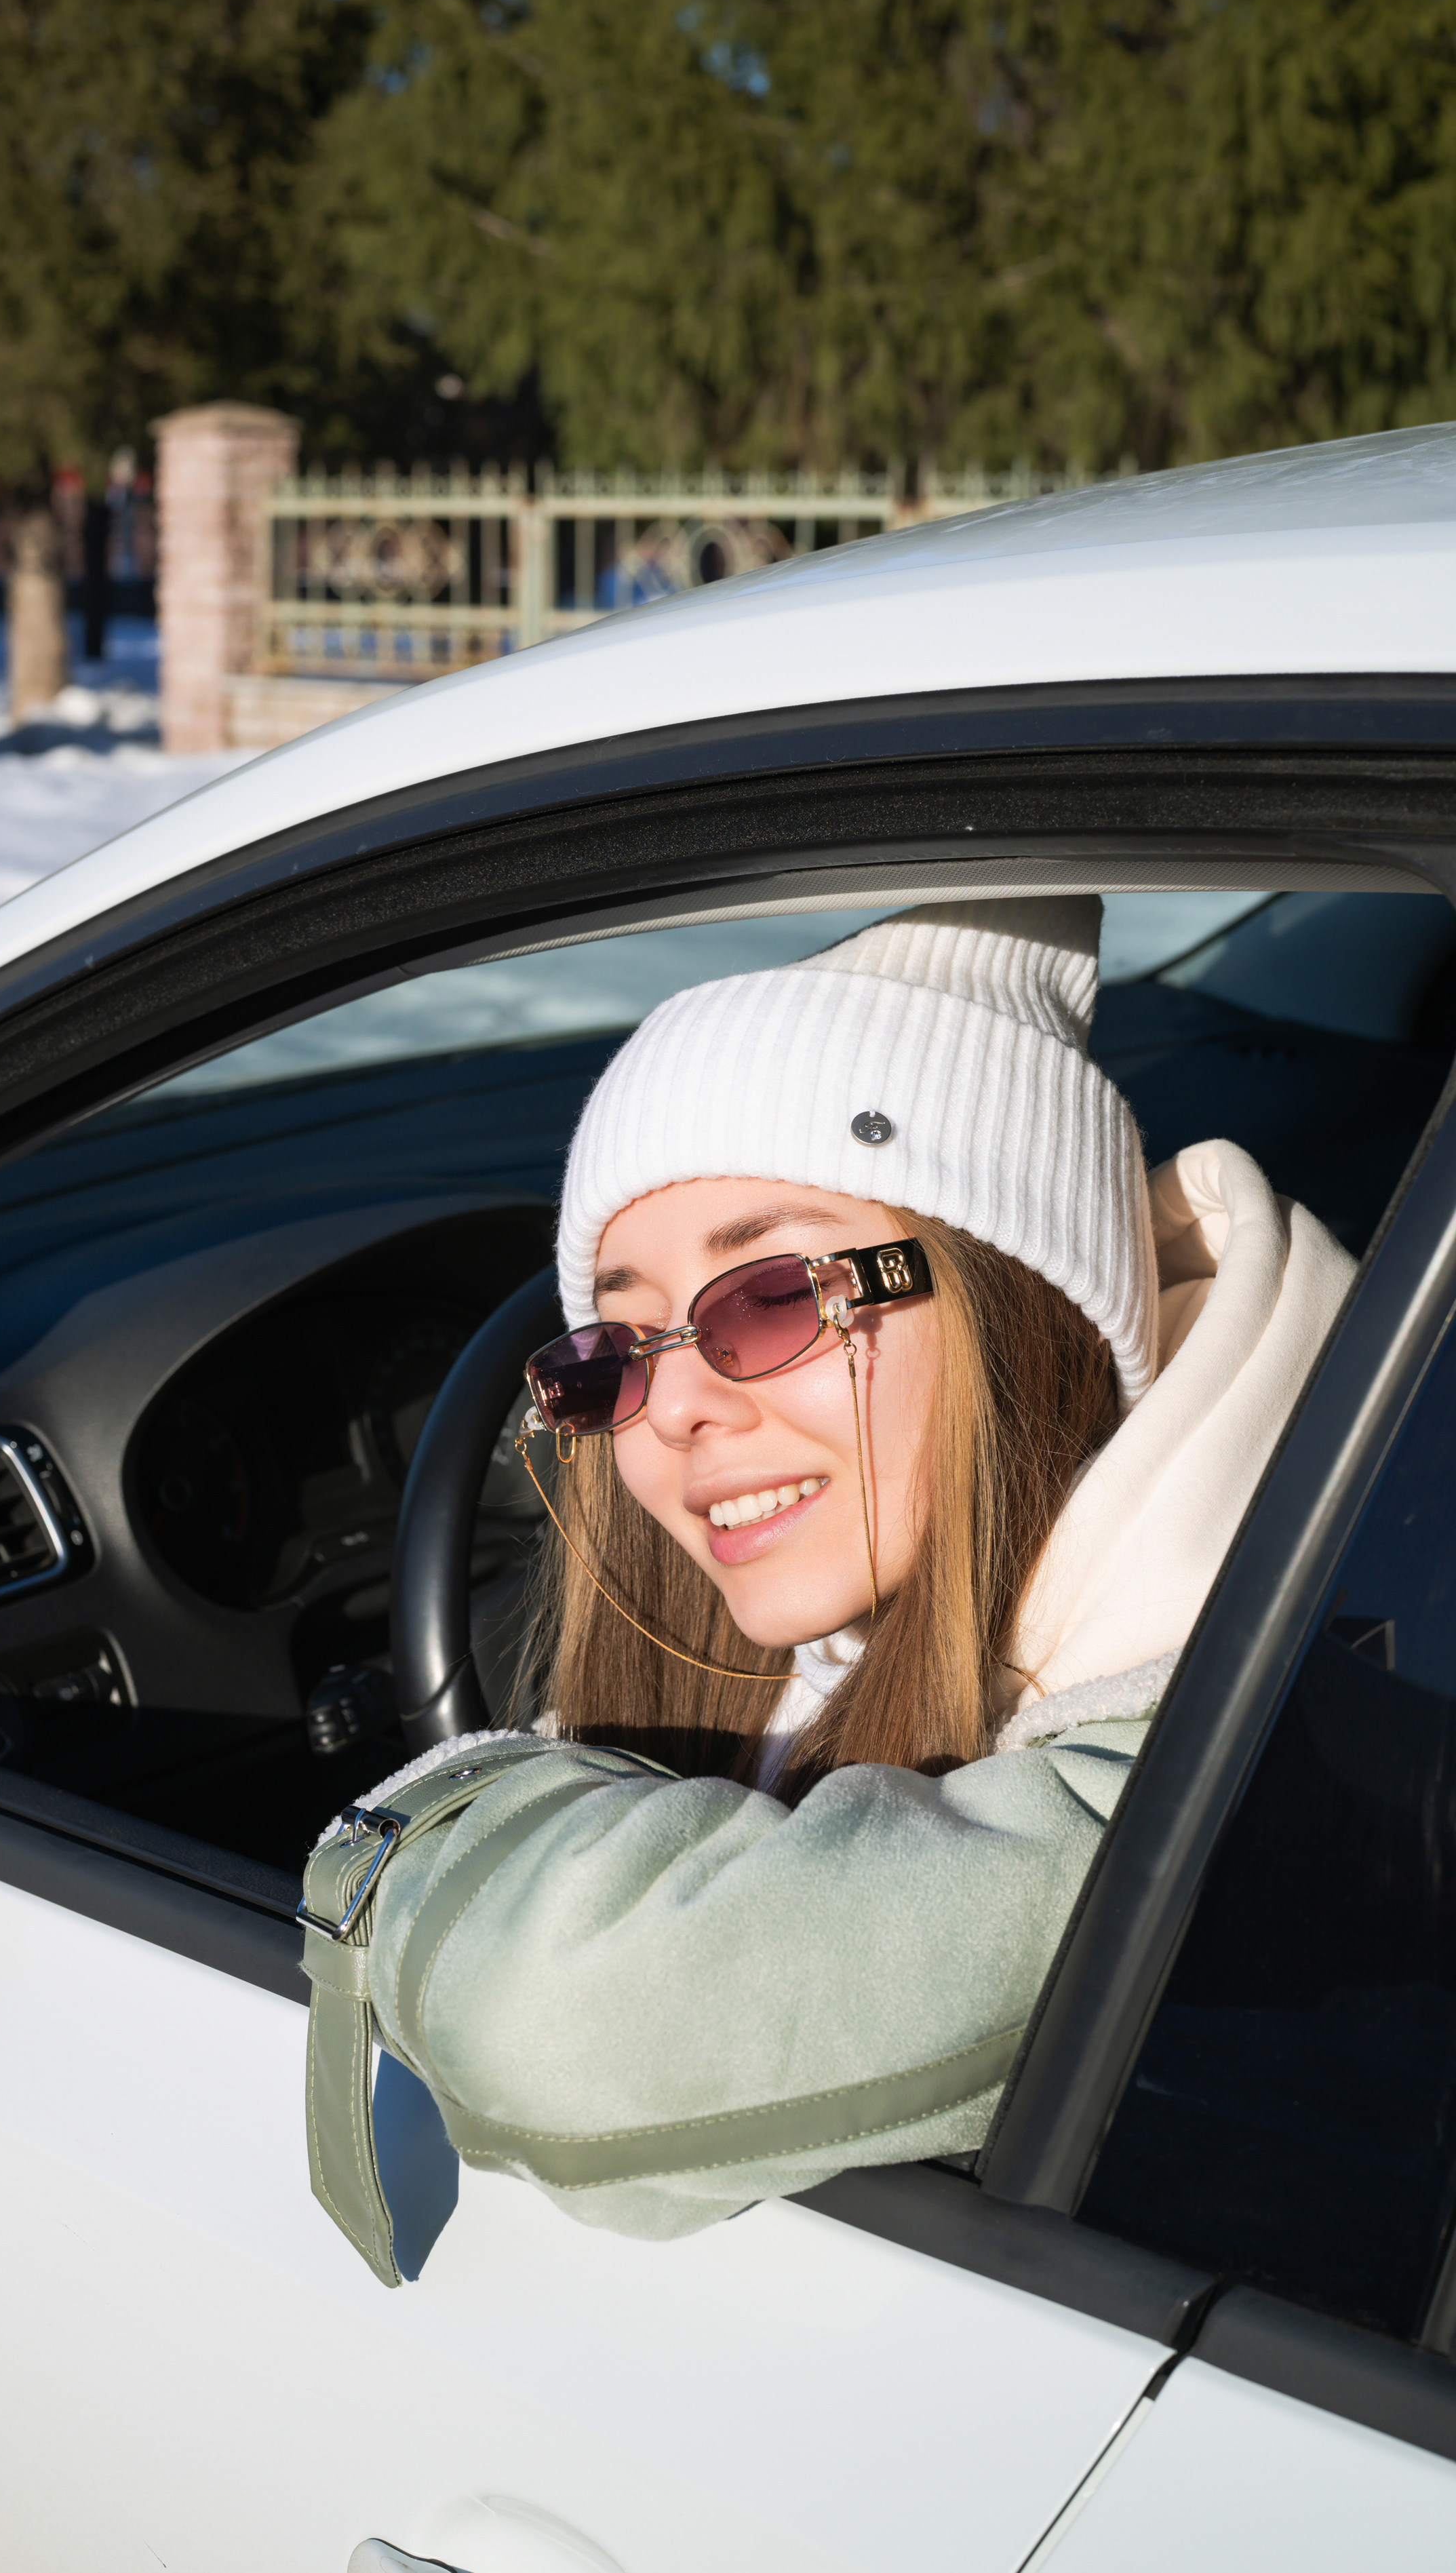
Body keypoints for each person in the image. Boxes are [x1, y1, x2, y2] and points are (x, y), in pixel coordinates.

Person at [301, 896, 1355, 2264]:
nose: (667, 1407)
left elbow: (569, 2031)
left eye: (771, 1300)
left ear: (1017, 1297)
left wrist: (424, 1833)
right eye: (612, 1352)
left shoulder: (1233, 1776)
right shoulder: (822, 1634)